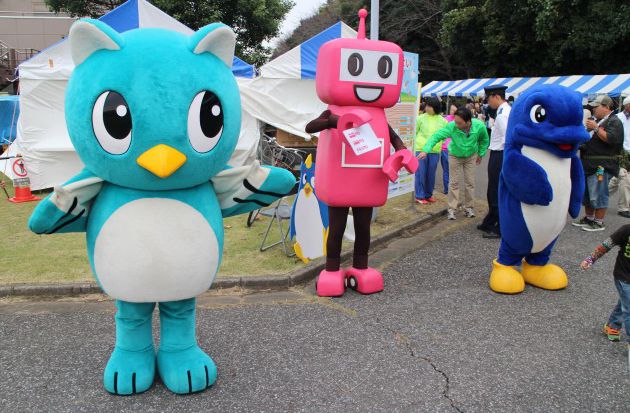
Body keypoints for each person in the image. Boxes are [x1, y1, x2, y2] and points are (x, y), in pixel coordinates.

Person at [418, 107, 489, 220]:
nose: (456, 124)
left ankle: (469, 207)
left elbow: (484, 140)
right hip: (455, 155)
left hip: (470, 156)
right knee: (454, 182)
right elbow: (437, 136)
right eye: (455, 121)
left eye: (459, 123)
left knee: (470, 182)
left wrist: (480, 154)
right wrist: (426, 150)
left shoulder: (479, 126)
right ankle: (452, 209)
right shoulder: (452, 126)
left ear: (468, 121)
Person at [580, 224, 630, 368]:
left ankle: (612, 325)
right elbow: (606, 245)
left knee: (625, 303)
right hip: (624, 277)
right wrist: (590, 260)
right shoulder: (626, 230)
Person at [573, 95, 624, 231]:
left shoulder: (615, 121)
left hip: (602, 164)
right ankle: (589, 218)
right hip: (589, 163)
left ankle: (599, 222)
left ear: (606, 107)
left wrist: (595, 128)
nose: (594, 109)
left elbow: (612, 139)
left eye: (597, 106)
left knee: (599, 193)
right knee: (588, 193)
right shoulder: (599, 121)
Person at [478, 85, 510, 239]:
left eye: (489, 99)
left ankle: (500, 227)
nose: (488, 102)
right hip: (499, 153)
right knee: (493, 189)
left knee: (496, 190)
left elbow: (507, 140)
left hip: (500, 154)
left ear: (496, 96)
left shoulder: (503, 114)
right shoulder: (504, 110)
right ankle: (490, 220)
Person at [414, 97, 447, 204]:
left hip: (435, 151)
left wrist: (440, 144)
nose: (426, 108)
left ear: (435, 107)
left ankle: (428, 194)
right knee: (420, 173)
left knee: (431, 174)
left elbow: (445, 135)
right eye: (426, 105)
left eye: (429, 106)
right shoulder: (420, 118)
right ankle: (419, 196)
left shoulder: (443, 121)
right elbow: (415, 132)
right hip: (420, 149)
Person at [608, 96, 630, 218]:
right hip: (621, 152)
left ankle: (598, 197)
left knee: (617, 179)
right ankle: (624, 208)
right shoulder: (618, 118)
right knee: (625, 178)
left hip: (629, 151)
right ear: (627, 105)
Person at [441, 104, 458, 195]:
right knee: (447, 170)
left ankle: (452, 190)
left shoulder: (459, 120)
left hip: (455, 149)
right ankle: (447, 190)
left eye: (454, 110)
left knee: (454, 171)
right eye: (451, 110)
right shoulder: (446, 119)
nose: (452, 112)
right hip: (445, 149)